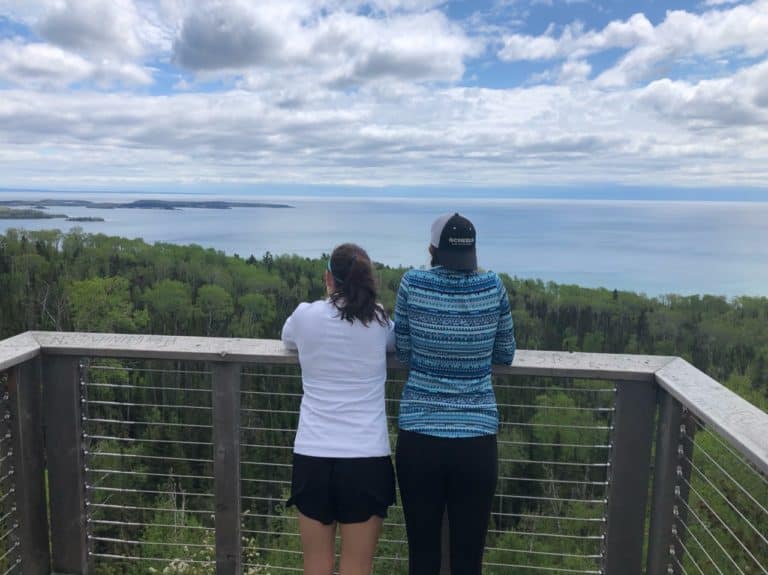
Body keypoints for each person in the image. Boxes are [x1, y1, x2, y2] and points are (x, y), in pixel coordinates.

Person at [394, 213, 516, 575]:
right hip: (476, 440)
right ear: (473, 253)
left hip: (419, 437)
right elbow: (505, 353)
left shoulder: (412, 284)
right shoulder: (492, 286)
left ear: (432, 250)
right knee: (468, 558)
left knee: (422, 554)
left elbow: (403, 350)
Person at [281, 243, 396, 575]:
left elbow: (287, 337)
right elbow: (392, 344)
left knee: (316, 566)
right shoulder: (378, 319)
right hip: (365, 459)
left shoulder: (306, 316)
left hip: (313, 457)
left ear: (328, 278)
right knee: (357, 568)